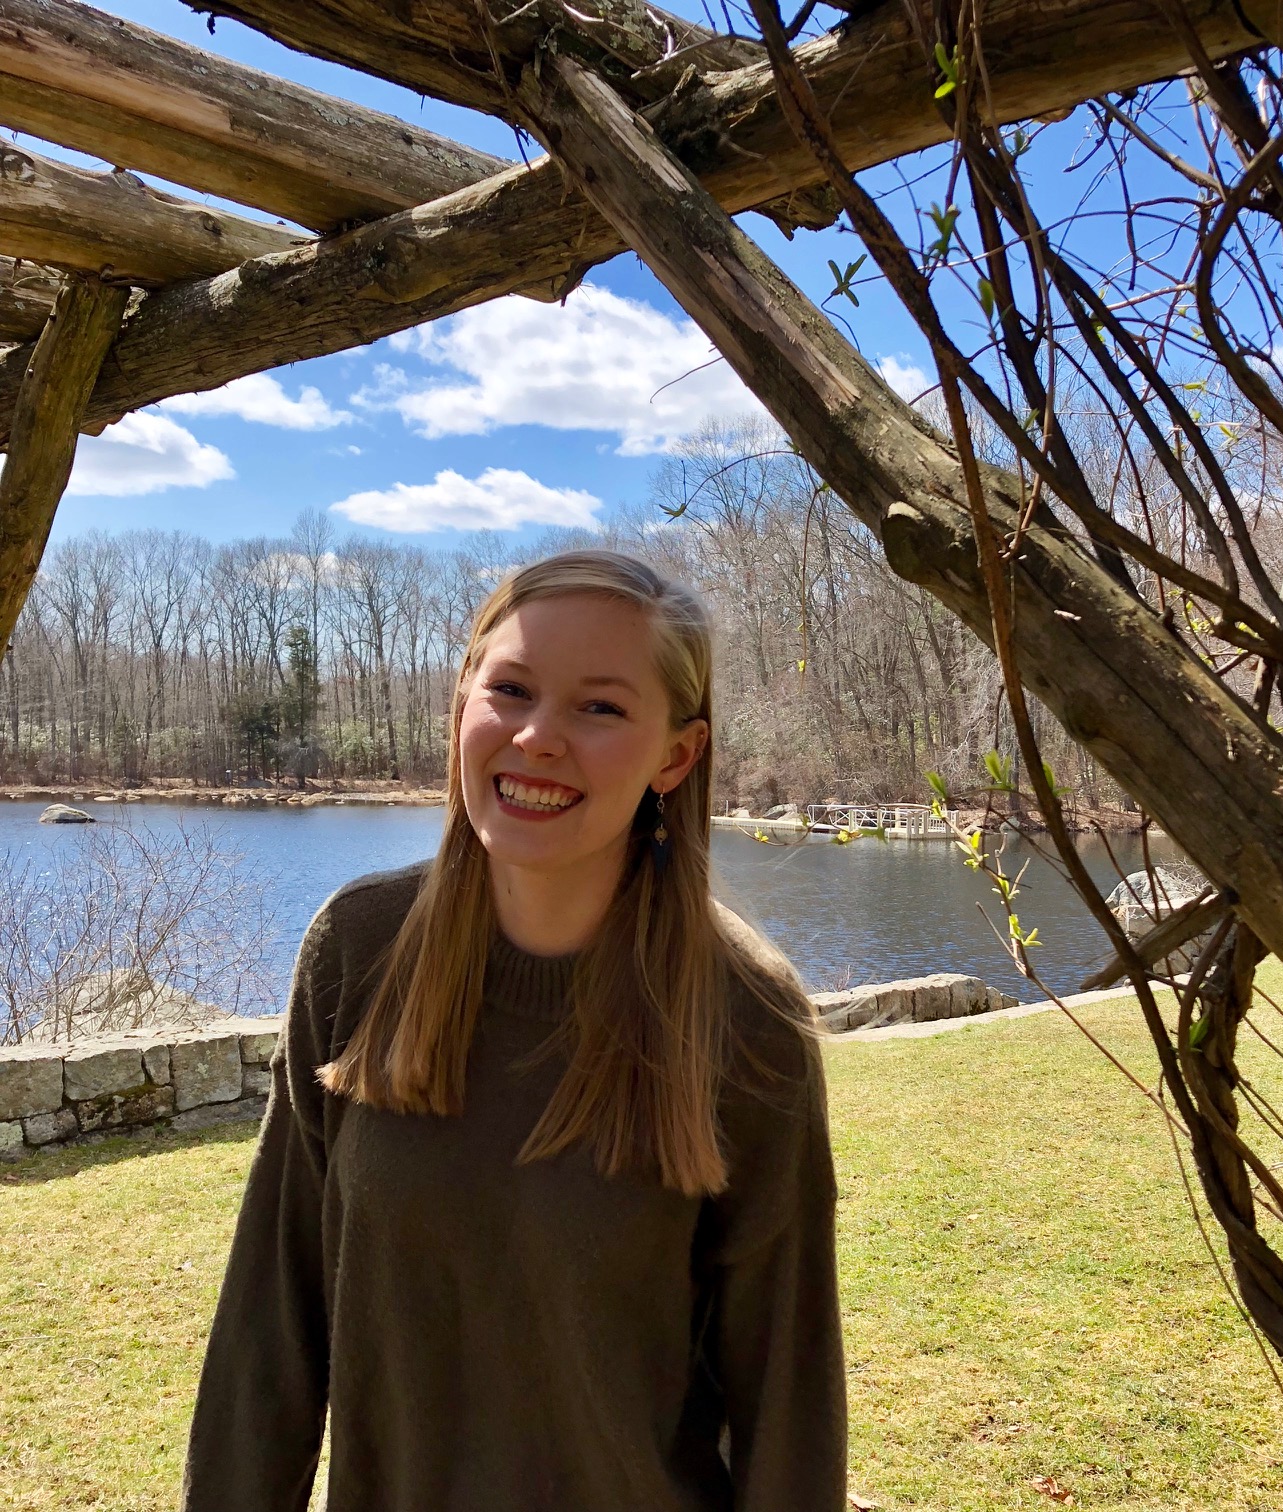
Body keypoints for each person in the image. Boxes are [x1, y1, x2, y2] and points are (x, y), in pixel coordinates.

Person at [179, 550, 847, 1512]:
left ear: (677, 754)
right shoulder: (357, 954)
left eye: (601, 708)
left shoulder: (748, 1017)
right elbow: (270, 1329)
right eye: (512, 690)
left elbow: (789, 1399)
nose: (538, 738)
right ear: (462, 708)